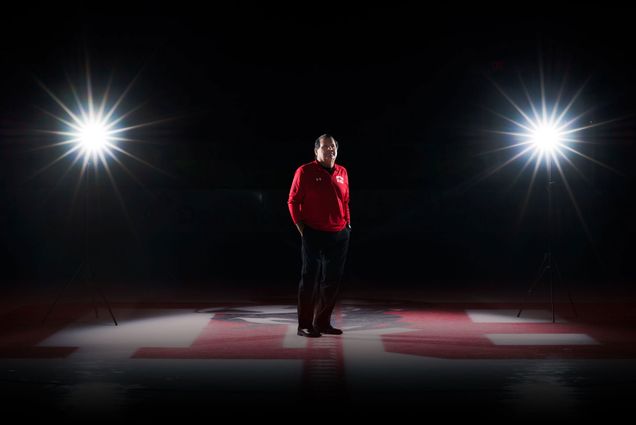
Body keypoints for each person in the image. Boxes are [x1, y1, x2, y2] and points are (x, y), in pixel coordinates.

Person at [288, 134, 351, 337]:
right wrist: (302, 228)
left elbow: (346, 200)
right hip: (313, 233)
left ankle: (323, 323)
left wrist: (347, 224)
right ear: (316, 151)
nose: (330, 149)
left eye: (333, 146)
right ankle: (304, 325)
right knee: (309, 279)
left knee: (332, 280)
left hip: (339, 235)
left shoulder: (342, 171)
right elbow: (293, 201)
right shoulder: (305, 171)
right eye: (325, 146)